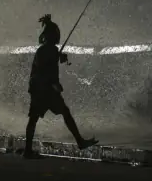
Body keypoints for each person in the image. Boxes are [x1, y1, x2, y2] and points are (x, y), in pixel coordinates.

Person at [21, 14, 98, 159]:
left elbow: (51, 62)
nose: (59, 35)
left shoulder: (49, 49)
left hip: (41, 88)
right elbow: (44, 68)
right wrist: (54, 83)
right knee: (56, 113)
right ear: (51, 35)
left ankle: (28, 150)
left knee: (37, 117)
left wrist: (58, 57)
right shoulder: (45, 50)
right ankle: (79, 142)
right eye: (57, 33)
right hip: (43, 89)